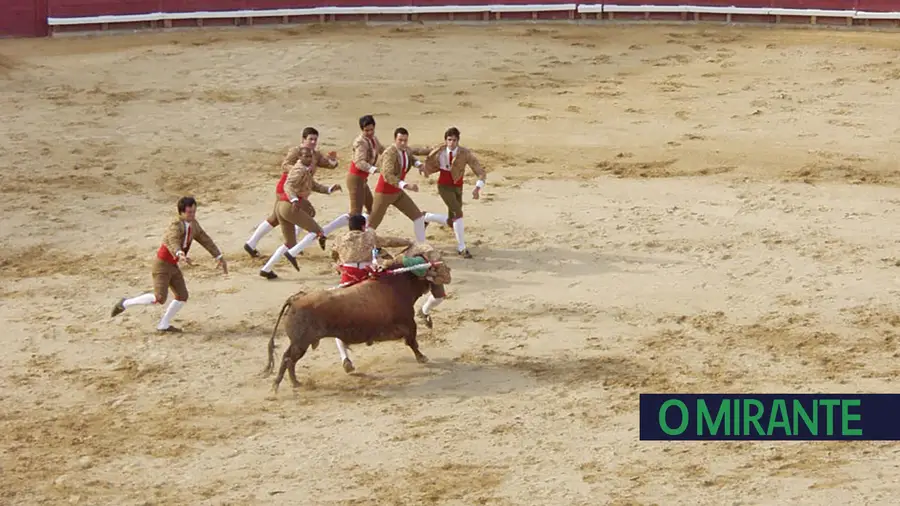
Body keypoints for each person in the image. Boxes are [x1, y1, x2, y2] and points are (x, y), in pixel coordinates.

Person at [110, 196, 227, 333]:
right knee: (159, 298)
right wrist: (179, 253)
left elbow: (204, 239)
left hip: (173, 266)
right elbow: (172, 240)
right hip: (162, 265)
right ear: (181, 212)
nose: (192, 215)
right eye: (189, 212)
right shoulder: (175, 226)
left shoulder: (194, 224)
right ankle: (125, 303)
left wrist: (218, 256)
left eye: (194, 212)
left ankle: (163, 324)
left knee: (182, 296)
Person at [327, 213, 414, 372]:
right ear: (363, 226)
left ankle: (344, 357)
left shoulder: (339, 239)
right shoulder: (370, 236)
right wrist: (408, 242)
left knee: (337, 320)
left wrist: (339, 266)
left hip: (348, 275)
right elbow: (389, 241)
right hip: (365, 275)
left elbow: (334, 256)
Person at [243, 127, 339, 258]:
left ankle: (252, 243)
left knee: (279, 217)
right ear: (303, 139)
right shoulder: (296, 151)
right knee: (295, 214)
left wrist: (333, 160)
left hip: (299, 189)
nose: (313, 142)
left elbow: (328, 164)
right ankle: (293, 246)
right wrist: (299, 170)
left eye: (315, 139)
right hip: (287, 187)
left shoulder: (315, 154)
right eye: (310, 139)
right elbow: (285, 165)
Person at [258, 147, 340, 280]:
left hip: (282, 206)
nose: (309, 159)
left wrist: (329, 189)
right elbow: (288, 185)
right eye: (306, 156)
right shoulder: (299, 169)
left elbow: (313, 185)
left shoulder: (304, 169)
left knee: (289, 242)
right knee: (317, 231)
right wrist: (295, 200)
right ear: (300, 158)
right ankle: (292, 253)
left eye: (310, 157)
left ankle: (266, 269)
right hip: (289, 207)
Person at [420, 127, 487, 259]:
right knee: (458, 214)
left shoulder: (464, 153)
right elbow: (420, 150)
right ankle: (461, 247)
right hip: (444, 186)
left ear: (458, 141)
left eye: (454, 140)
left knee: (453, 221)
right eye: (449, 140)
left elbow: (480, 171)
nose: (451, 143)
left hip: (458, 188)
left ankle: (426, 217)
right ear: (445, 140)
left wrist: (478, 187)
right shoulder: (438, 150)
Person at [366, 127, 428, 243]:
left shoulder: (406, 149)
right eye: (400, 140)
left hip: (397, 192)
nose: (403, 143)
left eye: (405, 140)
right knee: (371, 226)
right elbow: (387, 175)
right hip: (384, 193)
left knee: (418, 218)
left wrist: (419, 165)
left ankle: (422, 246)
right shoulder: (390, 153)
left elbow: (411, 158)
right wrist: (406, 185)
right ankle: (362, 249)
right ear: (395, 140)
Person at [381, 242, 451, 329]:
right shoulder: (404, 258)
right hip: (410, 272)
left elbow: (446, 279)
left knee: (439, 297)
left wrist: (429, 275)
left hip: (431, 273)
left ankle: (424, 311)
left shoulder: (438, 263)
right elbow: (388, 262)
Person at [345, 115, 385, 223]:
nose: (370, 132)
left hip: (362, 180)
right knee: (355, 213)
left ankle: (364, 230)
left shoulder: (374, 139)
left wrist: (392, 157)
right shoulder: (360, 142)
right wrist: (374, 169)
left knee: (372, 208)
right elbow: (359, 163)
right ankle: (328, 230)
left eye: (371, 129)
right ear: (362, 129)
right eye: (366, 130)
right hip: (355, 179)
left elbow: (382, 150)